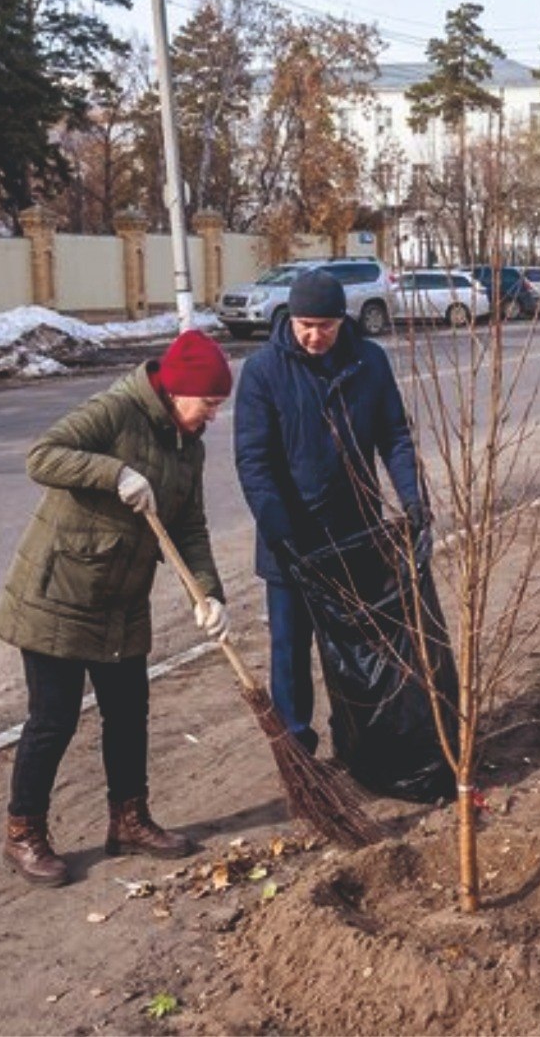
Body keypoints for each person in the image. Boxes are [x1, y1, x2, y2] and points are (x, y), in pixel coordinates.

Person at [0, 331, 233, 887]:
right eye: (211, 403)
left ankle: (128, 820)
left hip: (121, 601)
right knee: (52, 719)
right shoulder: (116, 411)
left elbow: (190, 527)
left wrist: (210, 593)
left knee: (128, 713)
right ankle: (23, 832)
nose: (214, 416)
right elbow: (43, 455)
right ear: (178, 391)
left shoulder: (187, 445)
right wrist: (115, 474)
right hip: (61, 590)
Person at [234, 268, 427, 753]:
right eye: (306, 325)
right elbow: (253, 461)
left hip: (355, 533)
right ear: (291, 319)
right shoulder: (263, 372)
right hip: (291, 542)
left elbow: (395, 436)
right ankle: (298, 750)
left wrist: (412, 496)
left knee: (360, 648)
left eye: (326, 325)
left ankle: (360, 739)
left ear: (343, 320)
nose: (315, 335)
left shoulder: (369, 363)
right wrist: (277, 528)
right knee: (290, 651)